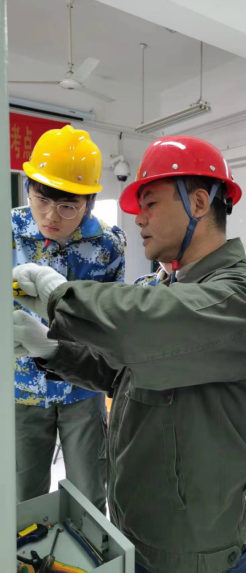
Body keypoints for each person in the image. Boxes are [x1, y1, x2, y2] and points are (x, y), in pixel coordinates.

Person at [13, 136, 246, 573]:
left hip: (193, 551)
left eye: (151, 203)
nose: (138, 218)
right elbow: (121, 372)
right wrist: (51, 348)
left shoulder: (245, 296)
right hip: (136, 531)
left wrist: (60, 296)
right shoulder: (174, 288)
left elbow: (146, 321)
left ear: (199, 203)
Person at [13, 125, 126, 515]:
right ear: (27, 188)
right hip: (21, 389)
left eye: (67, 206)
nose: (51, 216)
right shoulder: (10, 232)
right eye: (41, 199)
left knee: (89, 497)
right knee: (23, 496)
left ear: (89, 203)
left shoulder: (109, 245)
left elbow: (112, 320)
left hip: (82, 387)